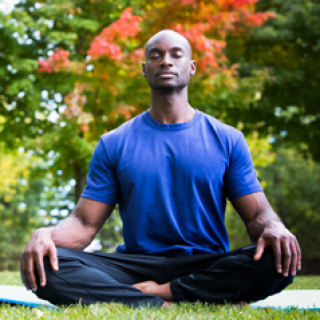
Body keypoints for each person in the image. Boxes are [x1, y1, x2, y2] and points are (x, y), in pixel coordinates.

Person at [20, 30, 301, 308]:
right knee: (44, 263)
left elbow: (256, 216)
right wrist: (47, 234)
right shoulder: (114, 142)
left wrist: (273, 226)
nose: (166, 61)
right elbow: (83, 225)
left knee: (278, 256)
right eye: (156, 56)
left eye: (176, 55)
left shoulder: (227, 139)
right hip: (136, 264)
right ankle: (180, 298)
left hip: (205, 262)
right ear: (145, 69)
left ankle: (161, 294)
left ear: (191, 67)